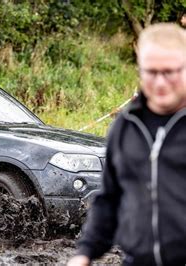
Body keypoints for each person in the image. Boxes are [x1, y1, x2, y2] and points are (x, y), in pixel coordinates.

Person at [68, 23, 186, 266]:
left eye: (170, 72)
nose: (160, 83)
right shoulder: (125, 126)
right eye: (151, 72)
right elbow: (109, 197)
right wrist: (85, 253)